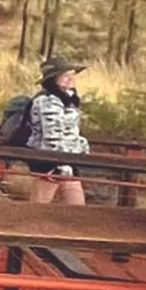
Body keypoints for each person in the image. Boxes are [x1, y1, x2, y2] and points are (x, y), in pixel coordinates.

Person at [24, 56, 91, 205]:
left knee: (77, 208)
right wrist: (62, 163)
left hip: (67, 160)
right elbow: (52, 136)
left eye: (72, 75)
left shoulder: (68, 100)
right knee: (38, 207)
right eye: (65, 75)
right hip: (49, 161)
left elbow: (72, 132)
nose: (71, 79)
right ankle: (28, 228)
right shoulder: (47, 101)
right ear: (53, 79)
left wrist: (81, 149)